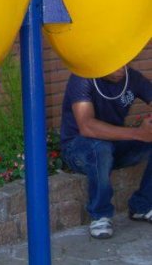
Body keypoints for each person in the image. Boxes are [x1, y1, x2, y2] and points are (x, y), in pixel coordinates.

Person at [60, 65, 152, 239]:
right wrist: (139, 133)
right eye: (115, 65)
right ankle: (100, 215)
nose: (120, 69)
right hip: (78, 149)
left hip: (114, 146)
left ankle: (143, 205)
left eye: (124, 63)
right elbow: (87, 126)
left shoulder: (132, 77)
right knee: (101, 148)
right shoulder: (82, 78)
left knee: (106, 148)